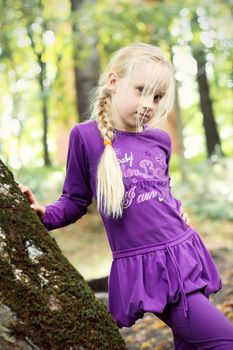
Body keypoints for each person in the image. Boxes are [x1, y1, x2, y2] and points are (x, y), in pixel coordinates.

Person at [19, 43, 233, 349]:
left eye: (157, 97)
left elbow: (160, 190)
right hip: (150, 268)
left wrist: (178, 209)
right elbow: (75, 201)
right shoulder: (86, 137)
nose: (149, 104)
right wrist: (43, 215)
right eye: (141, 90)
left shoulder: (160, 140)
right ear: (114, 82)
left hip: (183, 252)